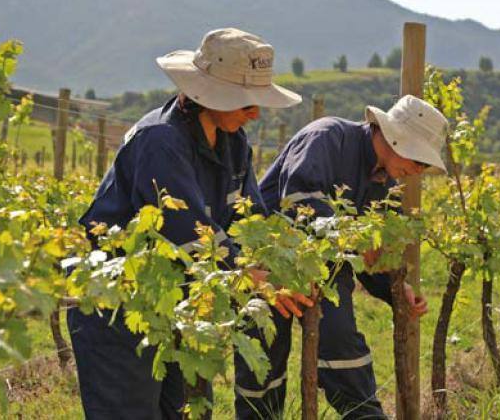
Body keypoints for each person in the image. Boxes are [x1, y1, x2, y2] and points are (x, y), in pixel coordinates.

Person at [67, 28, 303, 420]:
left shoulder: (235, 144)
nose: (255, 112)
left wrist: (280, 262)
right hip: (120, 307)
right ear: (206, 95)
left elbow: (251, 218)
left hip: (184, 304)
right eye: (246, 101)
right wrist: (252, 278)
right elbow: (190, 233)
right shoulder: (160, 140)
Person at [234, 94, 449, 419]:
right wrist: (351, 236)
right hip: (267, 265)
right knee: (261, 369)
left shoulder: (386, 186)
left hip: (327, 270)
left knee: (341, 343)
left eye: (424, 166)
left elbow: (369, 258)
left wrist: (395, 291)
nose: (417, 171)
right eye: (418, 161)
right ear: (394, 138)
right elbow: (300, 204)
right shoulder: (327, 137)